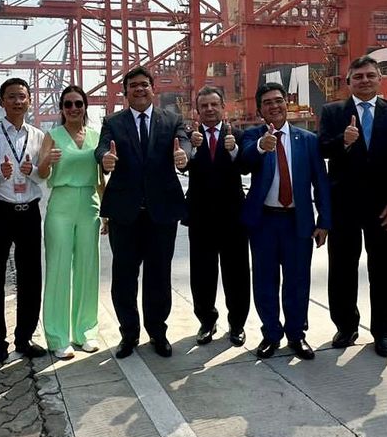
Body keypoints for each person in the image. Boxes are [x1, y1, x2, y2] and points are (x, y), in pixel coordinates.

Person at [318, 55, 387, 357]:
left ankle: (383, 332)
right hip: (344, 206)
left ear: (379, 79)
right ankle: (346, 327)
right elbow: (321, 148)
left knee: (386, 271)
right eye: (358, 76)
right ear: (348, 82)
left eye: (370, 75)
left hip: (386, 209)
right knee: (342, 270)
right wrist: (343, 142)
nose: (364, 80)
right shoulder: (333, 112)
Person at [95, 66, 190, 359]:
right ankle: (129, 334)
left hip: (162, 212)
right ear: (126, 93)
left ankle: (157, 332)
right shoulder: (113, 122)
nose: (139, 89)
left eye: (144, 85)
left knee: (158, 275)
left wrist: (183, 155)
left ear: (153, 89)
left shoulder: (171, 119)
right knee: (124, 275)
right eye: (133, 85)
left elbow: (184, 141)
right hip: (125, 212)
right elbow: (101, 149)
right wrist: (105, 159)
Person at [240, 82, 330, 360]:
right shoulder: (251, 136)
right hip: (264, 222)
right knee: (265, 280)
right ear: (260, 109)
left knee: (297, 280)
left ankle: (296, 334)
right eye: (268, 102)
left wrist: (324, 220)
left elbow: (320, 182)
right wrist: (260, 148)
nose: (275, 106)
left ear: (286, 103)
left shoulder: (307, 140)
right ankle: (271, 334)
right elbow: (243, 162)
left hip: (298, 221)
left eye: (279, 100)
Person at [0, 78, 48, 373]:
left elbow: (44, 177)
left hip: (29, 212)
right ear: (3, 101)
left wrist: (32, 170)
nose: (18, 101)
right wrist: (0, 172)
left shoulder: (39, 136)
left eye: (22, 96)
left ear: (29, 100)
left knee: (31, 277)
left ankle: (25, 338)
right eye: (11, 97)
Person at [38, 85, 105, 359]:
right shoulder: (51, 136)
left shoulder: (96, 136)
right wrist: (48, 161)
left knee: (88, 269)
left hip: (90, 204)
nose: (74, 109)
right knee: (58, 269)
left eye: (78, 104)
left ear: (85, 107)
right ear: (62, 109)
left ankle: (85, 331)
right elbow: (42, 173)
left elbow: (102, 178)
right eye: (68, 104)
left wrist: (106, 211)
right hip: (61, 204)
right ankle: (57, 336)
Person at [182, 85, 249, 347]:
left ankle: (237, 324)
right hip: (200, 218)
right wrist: (194, 151)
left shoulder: (239, 135)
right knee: (202, 274)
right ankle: (206, 321)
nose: (210, 109)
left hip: (233, 217)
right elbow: (183, 162)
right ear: (197, 111)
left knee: (237, 274)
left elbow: (245, 166)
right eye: (204, 106)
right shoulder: (189, 137)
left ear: (223, 108)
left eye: (214, 105)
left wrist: (233, 151)